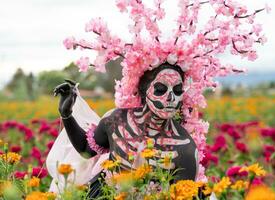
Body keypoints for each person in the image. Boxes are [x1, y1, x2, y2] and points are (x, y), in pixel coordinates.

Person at [54, 63, 203, 198]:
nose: (171, 98)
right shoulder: (116, 120)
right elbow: (86, 149)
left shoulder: (185, 147)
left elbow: (184, 194)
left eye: (177, 91)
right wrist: (66, 114)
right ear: (143, 90)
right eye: (160, 90)